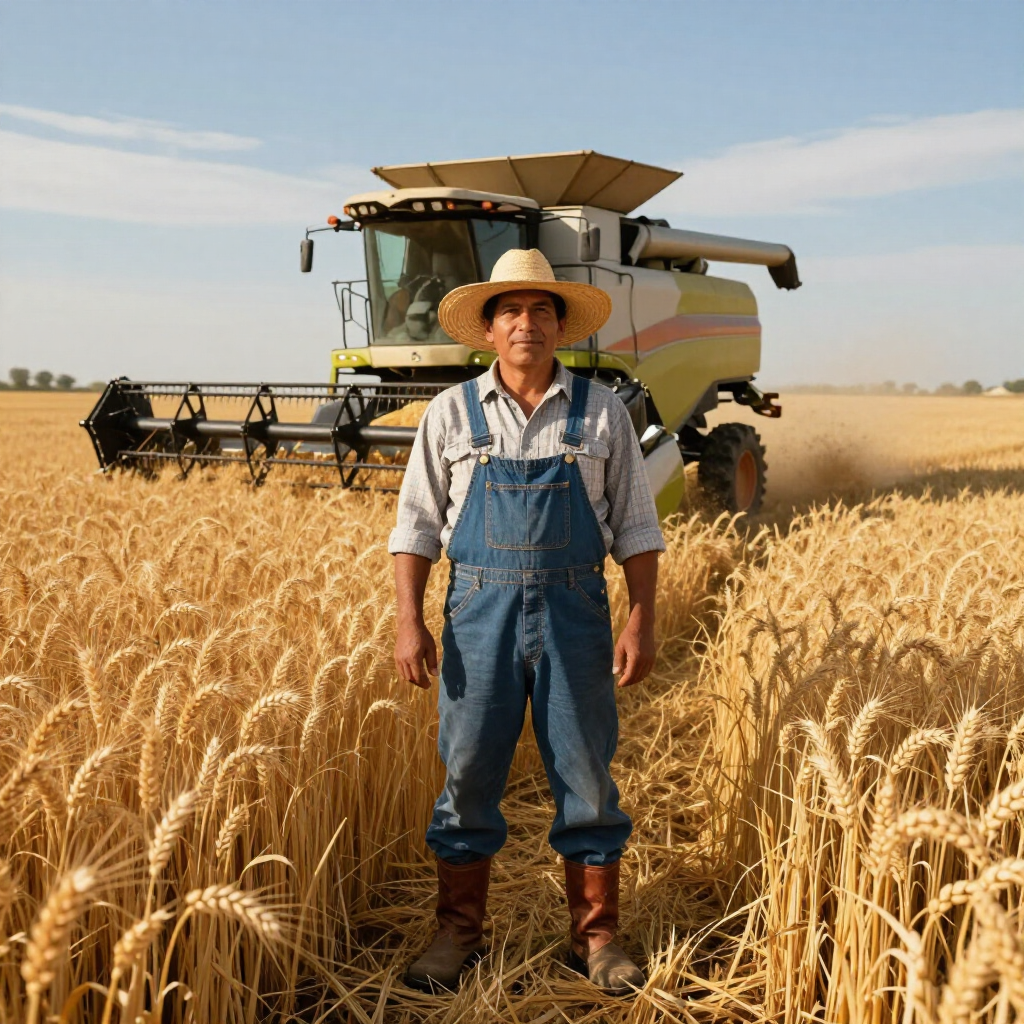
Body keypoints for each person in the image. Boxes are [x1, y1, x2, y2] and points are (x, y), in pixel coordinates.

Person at [389, 248, 665, 995]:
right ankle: (456, 933)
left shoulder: (602, 411)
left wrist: (640, 617)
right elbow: (414, 526)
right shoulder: (450, 413)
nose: (526, 323)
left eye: (542, 310)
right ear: (487, 330)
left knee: (585, 773)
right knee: (470, 770)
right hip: (478, 616)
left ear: (560, 326)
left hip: (577, 613)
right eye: (511, 310)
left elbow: (637, 529)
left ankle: (597, 937)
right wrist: (408, 620)